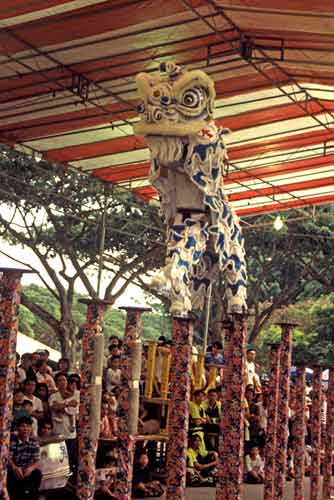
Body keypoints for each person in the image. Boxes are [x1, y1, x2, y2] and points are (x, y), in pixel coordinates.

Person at [49, 373, 79, 473]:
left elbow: (74, 409)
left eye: (64, 380)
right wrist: (67, 404)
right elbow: (54, 407)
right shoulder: (53, 396)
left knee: (70, 460)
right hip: (58, 433)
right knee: (58, 461)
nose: (62, 382)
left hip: (71, 433)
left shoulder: (74, 396)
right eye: (60, 380)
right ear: (56, 383)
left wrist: (62, 406)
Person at [7, 416, 42, 500]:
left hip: (27, 469)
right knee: (10, 478)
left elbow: (37, 460)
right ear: (17, 428)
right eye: (22, 426)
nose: (25, 429)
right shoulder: (11, 441)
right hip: (14, 469)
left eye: (28, 426)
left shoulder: (34, 442)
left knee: (37, 474)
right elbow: (7, 458)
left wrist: (30, 468)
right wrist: (14, 467)